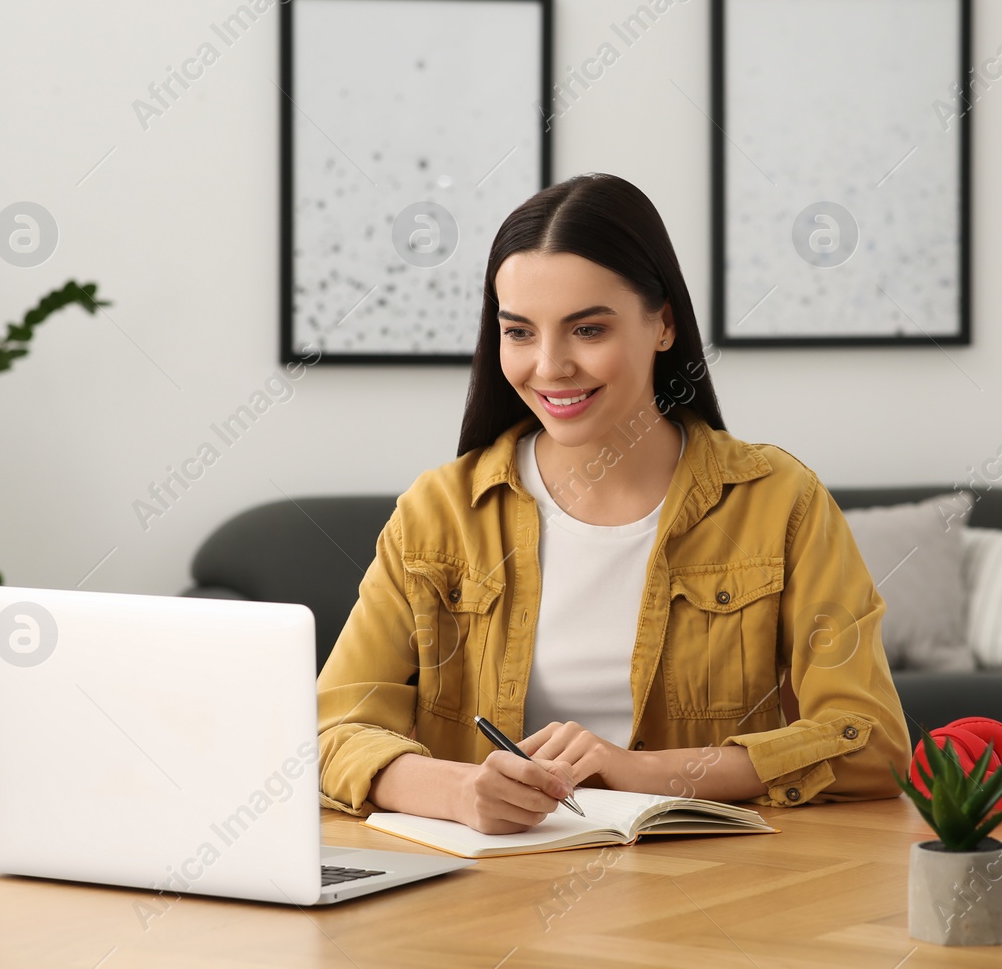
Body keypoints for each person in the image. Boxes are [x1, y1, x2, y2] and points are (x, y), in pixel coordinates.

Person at [316, 173, 910, 834]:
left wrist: (639, 771)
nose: (550, 365)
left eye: (587, 329)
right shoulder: (437, 513)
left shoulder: (781, 502)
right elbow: (330, 731)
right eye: (519, 332)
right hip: (486, 906)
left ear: (662, 324)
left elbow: (871, 745)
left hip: (714, 898)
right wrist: (460, 791)